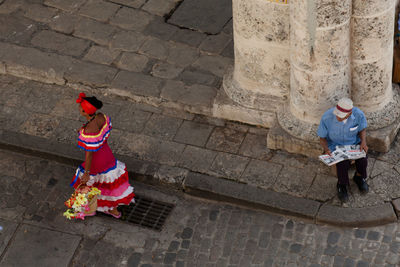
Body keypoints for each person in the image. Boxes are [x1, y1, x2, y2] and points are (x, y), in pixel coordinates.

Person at [71, 92, 135, 218]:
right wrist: (83, 130)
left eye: (80, 108)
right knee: (108, 185)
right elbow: (97, 134)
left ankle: (89, 209)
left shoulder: (89, 130)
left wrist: (87, 172)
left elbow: (89, 155)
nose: (79, 109)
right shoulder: (100, 117)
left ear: (84, 112)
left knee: (88, 185)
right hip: (107, 156)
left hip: (96, 161)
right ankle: (113, 210)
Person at [317, 98, 369, 202]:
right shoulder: (327, 117)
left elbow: (362, 129)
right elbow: (322, 138)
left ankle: (359, 177)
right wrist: (326, 149)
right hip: (336, 145)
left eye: (340, 116)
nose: (337, 117)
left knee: (363, 159)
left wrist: (363, 142)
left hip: (353, 143)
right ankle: (342, 184)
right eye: (337, 114)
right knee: (342, 164)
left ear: (349, 114)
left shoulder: (358, 114)